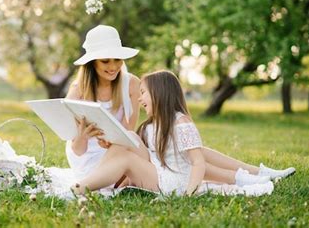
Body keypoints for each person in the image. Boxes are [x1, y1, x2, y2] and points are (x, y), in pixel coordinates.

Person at [72, 70, 295, 195]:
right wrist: (109, 144)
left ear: (159, 94)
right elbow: (141, 150)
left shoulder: (179, 123)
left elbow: (197, 163)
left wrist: (189, 193)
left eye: (143, 93)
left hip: (170, 182)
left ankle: (83, 187)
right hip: (164, 173)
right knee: (130, 140)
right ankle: (249, 174)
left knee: (193, 152)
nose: (138, 99)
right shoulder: (151, 126)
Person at [65, 25, 141, 182]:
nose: (113, 67)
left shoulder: (132, 84)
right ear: (92, 63)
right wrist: (83, 137)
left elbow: (128, 133)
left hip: (118, 148)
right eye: (105, 61)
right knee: (108, 179)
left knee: (139, 166)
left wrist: (112, 143)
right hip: (86, 155)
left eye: (117, 60)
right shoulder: (78, 90)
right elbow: (77, 150)